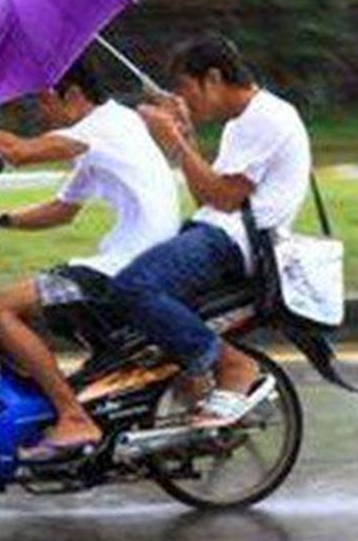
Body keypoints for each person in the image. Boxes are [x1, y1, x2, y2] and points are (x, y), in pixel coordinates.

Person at [0, 58, 181, 457]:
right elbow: (63, 210)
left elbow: (16, 152)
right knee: (5, 311)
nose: (42, 111)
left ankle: (73, 416)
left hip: (128, 268)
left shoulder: (100, 130)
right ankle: (52, 404)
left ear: (72, 94)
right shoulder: (106, 129)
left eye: (44, 100)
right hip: (130, 258)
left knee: (0, 310)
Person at [113, 32, 312, 426]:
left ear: (214, 79)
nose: (184, 100)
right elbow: (209, 197)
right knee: (117, 303)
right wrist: (185, 137)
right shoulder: (242, 122)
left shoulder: (268, 118)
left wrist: (176, 143)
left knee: (134, 286)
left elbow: (221, 198)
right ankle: (191, 392)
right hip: (216, 233)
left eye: (187, 89)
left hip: (235, 245)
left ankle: (233, 367)